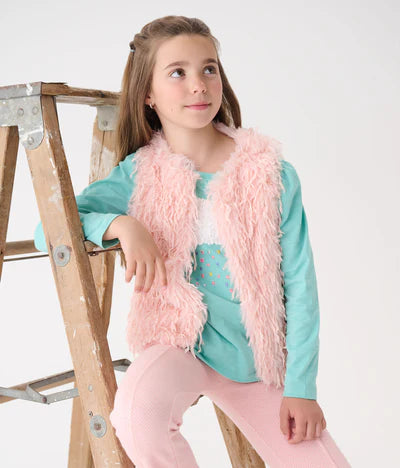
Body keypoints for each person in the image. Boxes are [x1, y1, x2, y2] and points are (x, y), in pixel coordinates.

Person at [34, 15, 351, 468]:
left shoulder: (270, 172)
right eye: (177, 72)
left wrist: (302, 388)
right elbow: (49, 229)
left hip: (257, 361)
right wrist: (122, 224)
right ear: (148, 94)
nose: (198, 85)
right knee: (137, 415)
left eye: (209, 69)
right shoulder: (140, 174)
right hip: (178, 343)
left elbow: (301, 284)